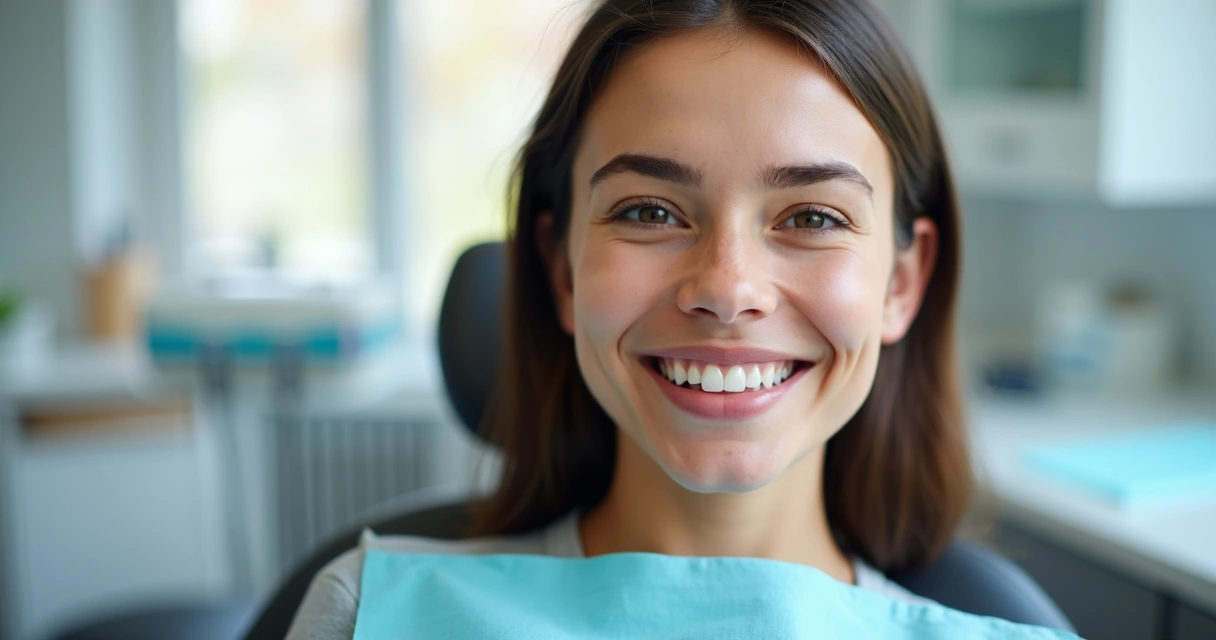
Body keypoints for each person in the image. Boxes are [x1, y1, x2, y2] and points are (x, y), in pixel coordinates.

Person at [287, 0, 971, 636]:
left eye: (814, 218)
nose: (727, 289)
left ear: (901, 283)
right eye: (648, 211)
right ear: (562, 271)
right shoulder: (368, 618)